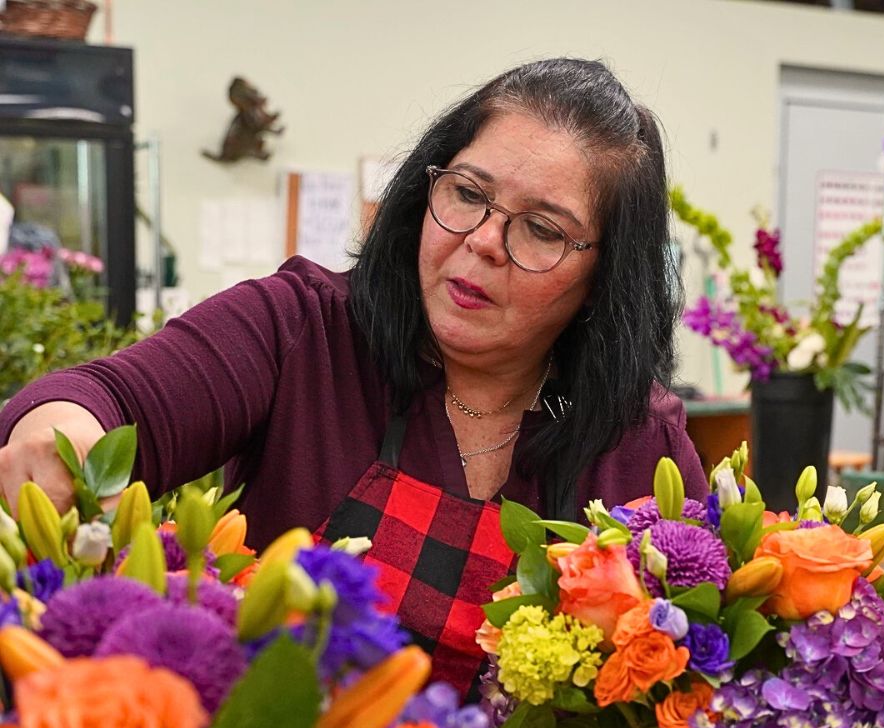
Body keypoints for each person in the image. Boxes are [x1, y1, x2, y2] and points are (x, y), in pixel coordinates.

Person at [0, 58, 707, 694]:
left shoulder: (638, 445)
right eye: (467, 194)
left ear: (604, 278)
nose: (483, 242)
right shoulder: (302, 332)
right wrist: (61, 425)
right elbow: (111, 399)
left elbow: (696, 677)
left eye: (543, 231)